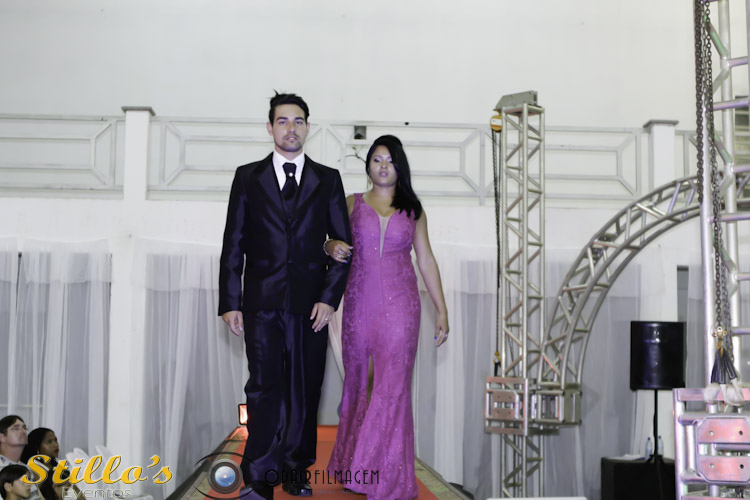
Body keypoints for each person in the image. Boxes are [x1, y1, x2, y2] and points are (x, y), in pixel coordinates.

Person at [218, 92, 352, 500]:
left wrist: (329, 298)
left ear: (308, 127)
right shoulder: (247, 177)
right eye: (282, 121)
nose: (290, 128)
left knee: (305, 389)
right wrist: (230, 302)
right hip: (261, 303)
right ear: (270, 127)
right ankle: (260, 476)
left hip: (311, 306)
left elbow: (343, 245)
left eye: (298, 121)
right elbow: (233, 242)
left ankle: (295, 471)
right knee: (263, 388)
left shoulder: (328, 179)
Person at [326, 135, 449, 500]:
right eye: (377, 159)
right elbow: (326, 240)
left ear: (400, 167)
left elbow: (426, 260)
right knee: (360, 384)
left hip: (402, 308)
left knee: (391, 387)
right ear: (368, 165)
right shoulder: (351, 203)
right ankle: (355, 466)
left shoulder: (414, 210)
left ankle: (385, 477)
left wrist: (441, 309)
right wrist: (329, 246)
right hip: (359, 305)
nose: (383, 166)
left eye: (390, 160)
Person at [21, 428, 79, 500]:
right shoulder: (32, 469)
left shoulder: (59, 464)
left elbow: (75, 489)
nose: (55, 444)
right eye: (49, 442)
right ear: (37, 447)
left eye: (55, 440)